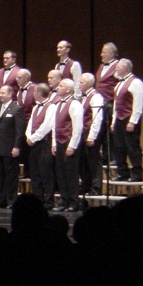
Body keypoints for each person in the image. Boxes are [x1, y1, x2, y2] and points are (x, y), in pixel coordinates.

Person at [0, 85, 25, 209]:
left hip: (10, 148)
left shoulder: (17, 109)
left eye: (3, 93)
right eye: (0, 93)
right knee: (0, 176)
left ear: (10, 94)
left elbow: (19, 131)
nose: (0, 95)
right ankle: (1, 200)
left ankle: (11, 200)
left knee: (11, 176)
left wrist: (17, 146)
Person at [51, 79, 84, 212]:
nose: (57, 88)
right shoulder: (58, 104)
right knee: (61, 173)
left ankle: (74, 202)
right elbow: (55, 126)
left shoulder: (74, 104)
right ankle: (64, 200)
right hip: (59, 142)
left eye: (61, 86)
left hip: (69, 142)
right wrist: (54, 143)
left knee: (71, 173)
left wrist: (72, 145)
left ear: (68, 90)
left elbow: (78, 127)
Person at [112, 59, 143, 182]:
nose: (116, 69)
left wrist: (133, 121)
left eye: (118, 67)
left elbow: (138, 103)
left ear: (125, 69)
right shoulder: (118, 84)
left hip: (129, 118)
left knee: (132, 147)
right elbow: (116, 104)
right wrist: (113, 121)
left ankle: (137, 173)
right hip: (119, 119)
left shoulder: (136, 82)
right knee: (118, 147)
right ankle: (123, 173)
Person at [26, 83, 58, 209]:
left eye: (34, 92)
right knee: (35, 174)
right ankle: (38, 199)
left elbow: (47, 126)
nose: (33, 94)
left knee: (46, 174)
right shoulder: (35, 107)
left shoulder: (51, 107)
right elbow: (30, 124)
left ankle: (49, 201)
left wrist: (33, 137)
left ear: (39, 93)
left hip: (44, 143)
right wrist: (28, 136)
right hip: (33, 144)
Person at [78, 73, 105, 196]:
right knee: (83, 161)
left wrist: (92, 136)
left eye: (81, 82)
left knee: (93, 161)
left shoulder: (96, 97)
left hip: (91, 132)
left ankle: (96, 187)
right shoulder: (83, 97)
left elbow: (97, 118)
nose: (79, 85)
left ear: (89, 84)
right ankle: (86, 185)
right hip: (83, 132)